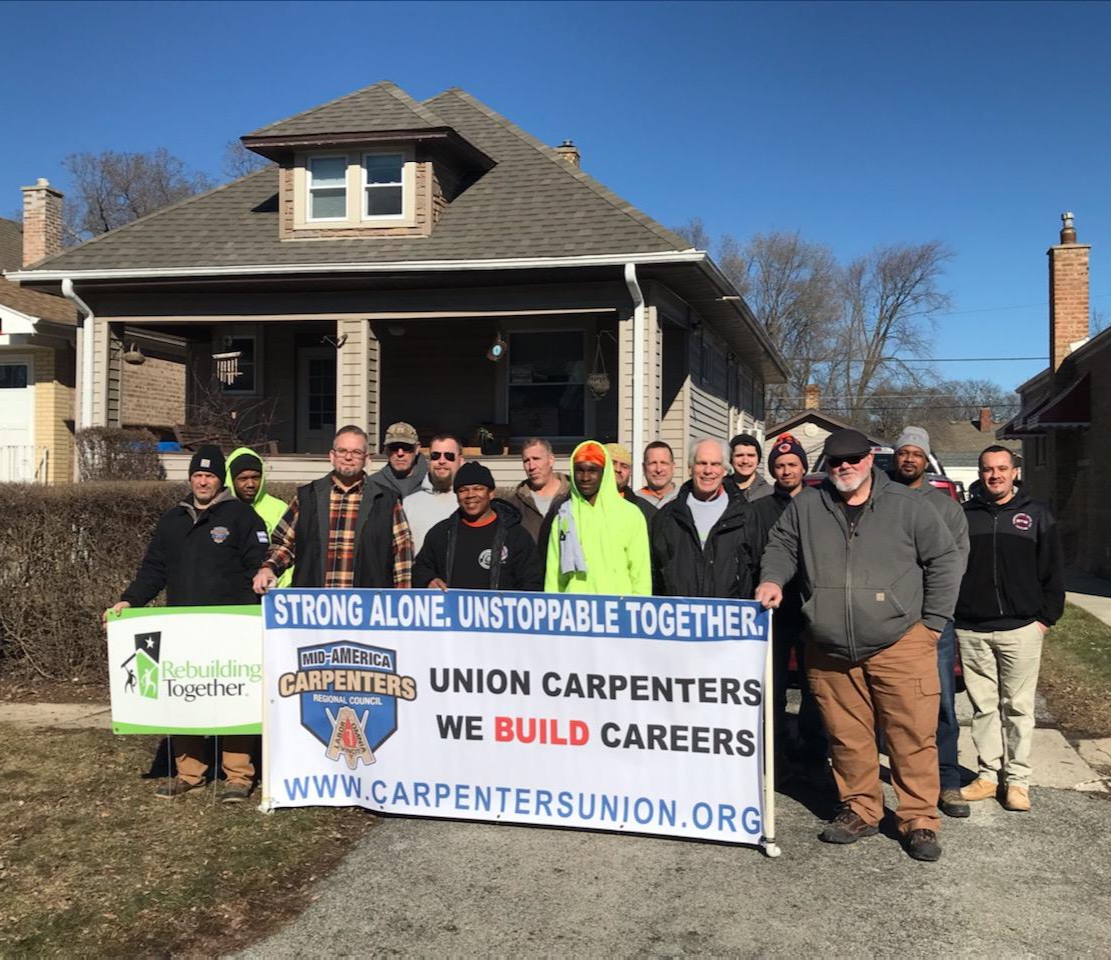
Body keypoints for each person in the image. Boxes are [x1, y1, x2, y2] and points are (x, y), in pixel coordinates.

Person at [756, 428, 962, 862]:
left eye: (852, 459)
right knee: (847, 736)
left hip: (900, 642)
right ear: (826, 465)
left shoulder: (909, 507)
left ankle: (919, 819)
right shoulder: (808, 505)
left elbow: (945, 559)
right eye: (835, 461)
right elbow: (782, 545)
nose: (844, 467)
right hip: (829, 648)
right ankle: (861, 809)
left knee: (911, 735)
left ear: (870, 460)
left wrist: (932, 625)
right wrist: (773, 579)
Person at [108, 445, 268, 802]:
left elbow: (257, 568)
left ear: (220, 480)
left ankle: (238, 776)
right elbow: (154, 570)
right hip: (182, 628)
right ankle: (190, 773)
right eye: (197, 475)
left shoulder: (242, 518)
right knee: (184, 697)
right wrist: (130, 599)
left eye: (210, 475)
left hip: (231, 628)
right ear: (191, 478)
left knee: (233, 699)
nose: (203, 482)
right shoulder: (172, 521)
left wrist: (250, 611)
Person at [955, 445, 1064, 813]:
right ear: (980, 473)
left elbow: (1053, 570)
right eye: (988, 469)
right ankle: (988, 775)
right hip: (972, 628)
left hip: (1022, 628)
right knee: (983, 707)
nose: (995, 475)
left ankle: (1017, 781)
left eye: (1002, 468)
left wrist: (1045, 619)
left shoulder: (1036, 514)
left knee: (1017, 707)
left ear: (1014, 472)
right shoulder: (965, 515)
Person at [891, 426, 971, 819]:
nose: (909, 459)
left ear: (926, 460)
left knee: (939, 704)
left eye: (916, 454)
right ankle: (880, 776)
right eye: (903, 452)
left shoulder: (946, 508)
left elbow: (955, 566)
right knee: (882, 705)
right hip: (886, 622)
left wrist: (936, 619)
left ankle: (947, 779)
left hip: (930, 625)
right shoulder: (878, 499)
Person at [749, 434, 829, 787]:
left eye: (792, 464)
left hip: (812, 611)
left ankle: (813, 754)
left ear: (803, 468)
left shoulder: (821, 504)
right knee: (774, 687)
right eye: (779, 465)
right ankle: (775, 755)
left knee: (816, 689)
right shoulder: (760, 509)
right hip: (774, 615)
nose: (785, 470)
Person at [253, 425, 412, 592]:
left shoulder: (387, 500)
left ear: (366, 458)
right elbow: (283, 544)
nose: (348, 457)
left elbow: (402, 554)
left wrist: (400, 599)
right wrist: (268, 568)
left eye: (356, 453)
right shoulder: (307, 497)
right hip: (315, 607)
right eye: (342, 451)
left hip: (369, 608)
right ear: (332, 456)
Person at [650, 438, 764, 600]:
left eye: (715, 464)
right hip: (680, 618)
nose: (708, 471)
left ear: (725, 469)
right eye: (701, 463)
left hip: (730, 619)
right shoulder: (667, 517)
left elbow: (757, 570)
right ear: (690, 467)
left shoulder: (745, 515)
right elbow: (655, 575)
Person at [544, 441, 651, 596]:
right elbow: (553, 576)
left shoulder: (631, 514)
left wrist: (638, 610)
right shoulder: (564, 516)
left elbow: (641, 575)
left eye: (592, 471)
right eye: (579, 470)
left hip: (618, 610)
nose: (585, 477)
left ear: (604, 472)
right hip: (574, 610)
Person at [414, 462, 542, 591]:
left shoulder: (516, 535)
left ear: (491, 493)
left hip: (499, 609)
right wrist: (428, 580)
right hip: (452, 610)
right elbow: (420, 569)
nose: (470, 495)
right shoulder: (441, 533)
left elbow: (532, 581)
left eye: (478, 488)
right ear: (457, 496)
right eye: (463, 490)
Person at [225, 446, 293, 588]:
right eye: (243, 478)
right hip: (232, 595)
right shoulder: (220, 511)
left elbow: (290, 550)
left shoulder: (279, 509)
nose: (250, 484)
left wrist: (278, 587)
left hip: (273, 591)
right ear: (231, 479)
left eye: (255, 477)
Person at [496, 437, 570, 544]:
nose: (531, 467)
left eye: (536, 459)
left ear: (551, 460)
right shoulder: (515, 504)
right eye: (526, 461)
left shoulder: (572, 496)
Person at [403, 434, 465, 553]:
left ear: (461, 461)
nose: (441, 461)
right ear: (429, 461)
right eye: (435, 456)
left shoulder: (471, 502)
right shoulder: (409, 504)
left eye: (449, 456)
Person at [369, 421, 428, 498]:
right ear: (386, 450)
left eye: (406, 447)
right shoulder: (373, 484)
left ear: (417, 448)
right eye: (394, 447)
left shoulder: (434, 480)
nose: (400, 453)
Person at [606, 442, 656, 524]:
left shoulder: (645, 511)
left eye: (624, 466)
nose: (618, 469)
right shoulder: (583, 503)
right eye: (613, 463)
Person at [729, 433, 772, 501]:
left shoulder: (770, 494)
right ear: (731, 459)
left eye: (751, 455)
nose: (745, 461)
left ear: (758, 460)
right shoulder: (719, 489)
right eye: (739, 455)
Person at [639, 441, 679, 509]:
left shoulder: (686, 498)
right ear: (644, 467)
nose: (658, 470)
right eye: (653, 463)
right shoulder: (633, 502)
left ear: (673, 467)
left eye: (663, 463)